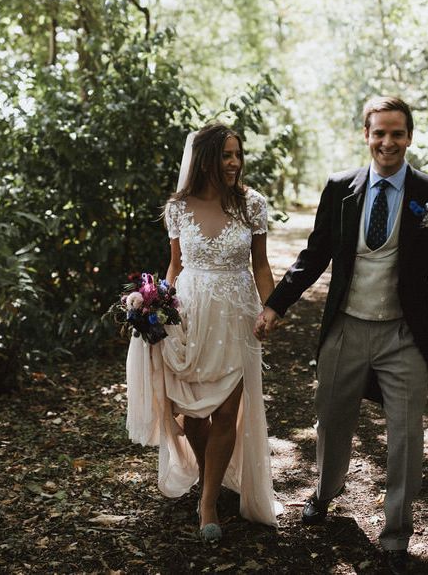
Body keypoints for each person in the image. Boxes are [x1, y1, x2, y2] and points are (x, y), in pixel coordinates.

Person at [255, 96, 428, 574]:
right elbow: (315, 255)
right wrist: (276, 305)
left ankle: (395, 534)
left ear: (409, 137)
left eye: (396, 133)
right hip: (346, 326)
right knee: (330, 419)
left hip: (402, 334)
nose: (387, 142)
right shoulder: (341, 189)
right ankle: (325, 492)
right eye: (379, 133)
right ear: (366, 136)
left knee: (406, 435)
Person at [125, 122, 281, 544]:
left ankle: (209, 500)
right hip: (189, 313)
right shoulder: (178, 207)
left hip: (236, 314)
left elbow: (261, 266)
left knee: (227, 411)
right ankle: (211, 470)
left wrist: (271, 307)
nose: (234, 163)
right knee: (191, 410)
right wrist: (156, 303)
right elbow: (174, 265)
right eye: (226, 155)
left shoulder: (253, 205)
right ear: (205, 160)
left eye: (237, 154)